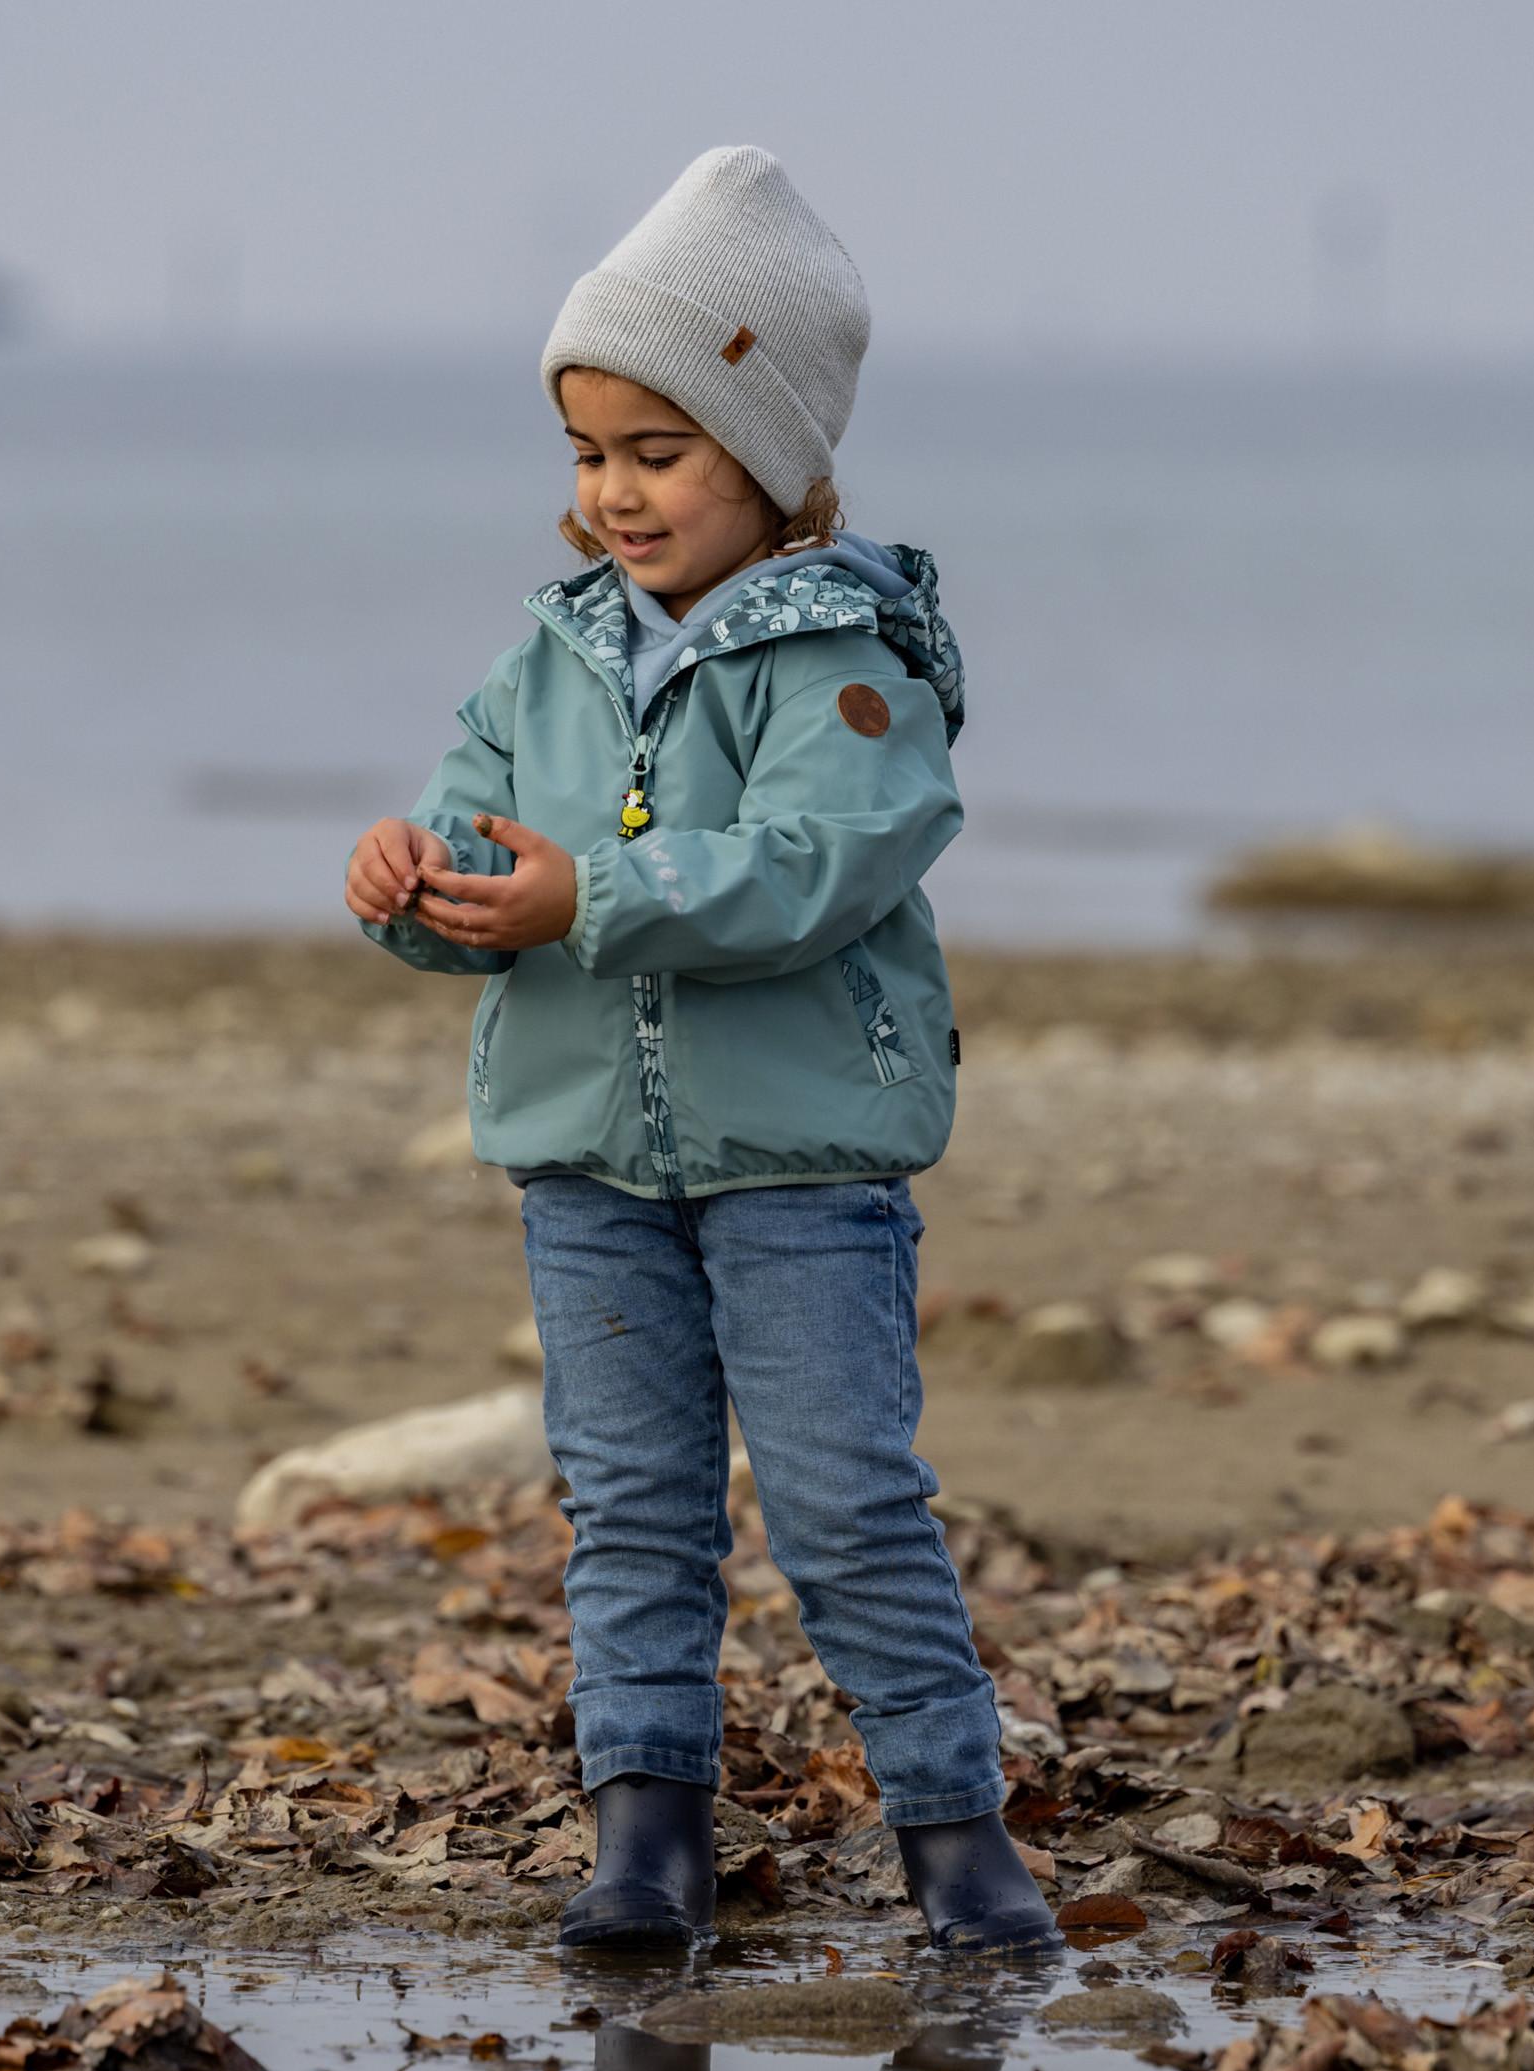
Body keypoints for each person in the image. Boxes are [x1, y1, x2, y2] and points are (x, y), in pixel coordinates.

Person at [348, 144, 1057, 1957]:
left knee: (843, 1506)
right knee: (630, 1510)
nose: (613, 494)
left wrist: (594, 895)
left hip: (800, 1168)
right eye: (588, 455)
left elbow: (817, 869)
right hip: (587, 1164)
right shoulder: (547, 661)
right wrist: (414, 888)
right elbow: (482, 846)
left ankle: (957, 1840)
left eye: (655, 454)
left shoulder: (849, 660)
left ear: (772, 455)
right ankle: (644, 1837)